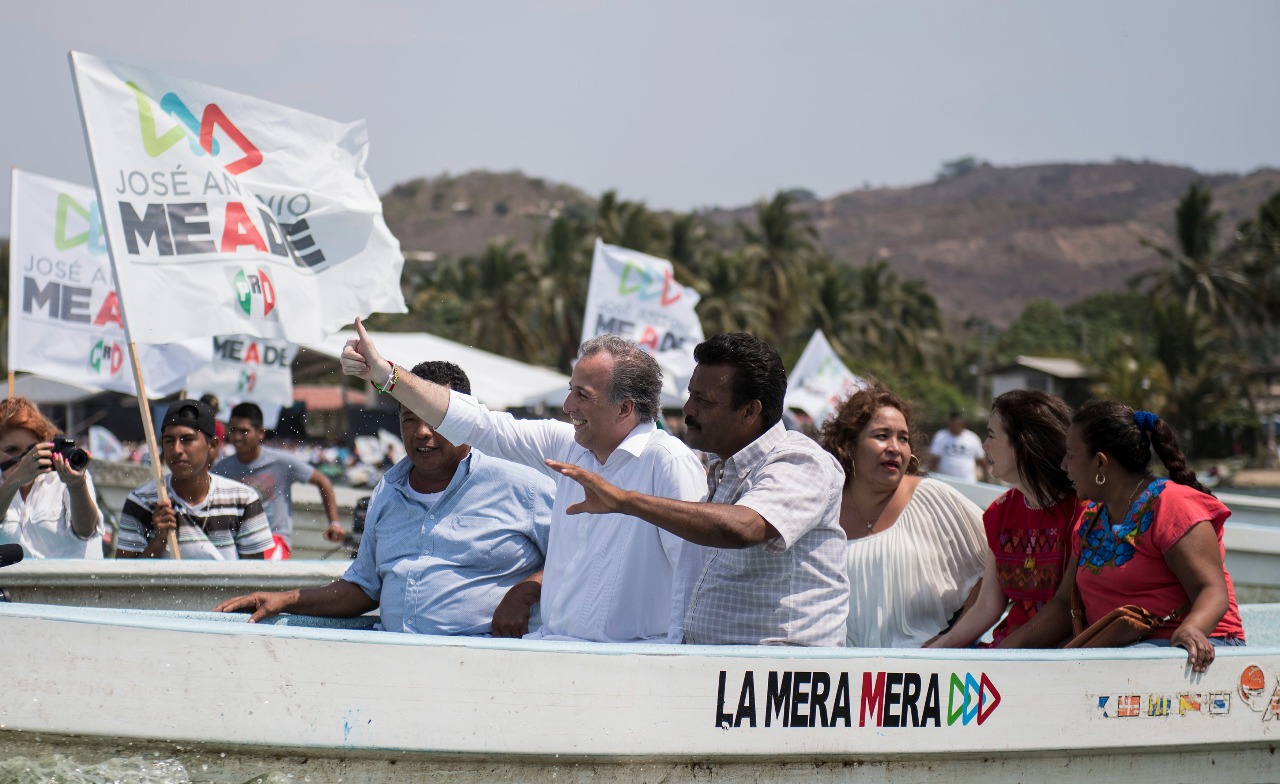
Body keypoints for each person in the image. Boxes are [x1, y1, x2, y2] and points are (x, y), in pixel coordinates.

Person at [340, 318, 707, 643]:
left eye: (582, 394)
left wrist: (674, 663)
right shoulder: (566, 447)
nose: (568, 405)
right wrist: (387, 375)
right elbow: (479, 423)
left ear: (625, 408)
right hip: (555, 654)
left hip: (635, 666)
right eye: (570, 388)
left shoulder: (667, 463)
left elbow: (695, 582)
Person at [547, 333, 849, 646]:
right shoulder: (723, 470)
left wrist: (624, 500)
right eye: (691, 395)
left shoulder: (801, 460)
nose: (688, 409)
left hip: (778, 682)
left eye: (704, 401)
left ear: (750, 411)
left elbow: (744, 527)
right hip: (719, 677)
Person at [217, 362, 556, 636]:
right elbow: (364, 588)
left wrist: (525, 591)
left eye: (436, 420)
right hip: (395, 663)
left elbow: (578, 552)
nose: (422, 432)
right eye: (410, 419)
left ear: (465, 421)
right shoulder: (387, 491)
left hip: (490, 664)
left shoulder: (519, 484)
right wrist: (283, 600)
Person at [1000, 401, 1245, 672]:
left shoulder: (1173, 506)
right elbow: (1061, 607)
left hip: (1195, 650)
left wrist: (1191, 629)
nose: (1063, 465)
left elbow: (1212, 591)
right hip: (1120, 653)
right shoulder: (1091, 517)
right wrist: (1001, 652)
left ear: (1101, 463)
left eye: (1070, 454)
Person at [820, 386, 987, 647]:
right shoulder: (822, 509)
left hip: (923, 676)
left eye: (903, 438)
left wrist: (950, 640)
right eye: (882, 435)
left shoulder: (933, 498)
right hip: (842, 676)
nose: (895, 448)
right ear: (849, 445)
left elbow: (1000, 563)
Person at [925, 390, 1085, 648]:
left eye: (991, 435)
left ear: (1023, 444)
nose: (984, 446)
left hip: (1059, 655)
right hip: (1006, 653)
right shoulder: (999, 513)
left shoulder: (1083, 508)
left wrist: (1001, 655)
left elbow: (1067, 609)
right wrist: (939, 649)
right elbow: (989, 605)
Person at [116, 399, 273, 560]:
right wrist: (159, 539)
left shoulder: (243, 500)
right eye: (169, 441)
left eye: (187, 439)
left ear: (212, 445)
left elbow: (253, 579)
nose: (176, 449)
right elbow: (125, 579)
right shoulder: (141, 502)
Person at [213, 402, 344, 559]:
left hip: (274, 539)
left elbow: (323, 482)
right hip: (236, 540)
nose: (237, 437)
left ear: (260, 433)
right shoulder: (221, 469)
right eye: (233, 431)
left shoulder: (281, 462)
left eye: (244, 431)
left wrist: (334, 524)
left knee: (261, 567)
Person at [0, 397, 103, 558]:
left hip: (72, 582)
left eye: (32, 449)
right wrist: (15, 479)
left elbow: (86, 530)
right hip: (13, 582)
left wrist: (77, 486)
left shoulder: (65, 475)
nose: (25, 459)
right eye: (12, 449)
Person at [927, 411, 986, 483]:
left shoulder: (973, 438)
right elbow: (934, 458)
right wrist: (930, 477)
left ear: (963, 424)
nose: (955, 426)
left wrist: (987, 478)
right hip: (945, 480)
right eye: (953, 424)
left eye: (958, 424)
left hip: (968, 481)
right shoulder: (941, 436)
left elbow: (981, 459)